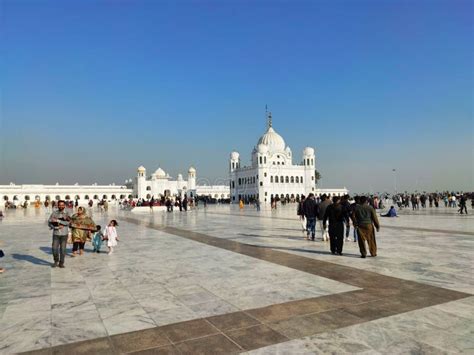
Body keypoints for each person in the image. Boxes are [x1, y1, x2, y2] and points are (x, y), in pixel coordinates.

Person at [48, 200, 71, 268]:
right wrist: (55, 227)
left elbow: (68, 222)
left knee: (63, 249)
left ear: (64, 205)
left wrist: (58, 220)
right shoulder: (54, 213)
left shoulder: (67, 213)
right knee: (54, 248)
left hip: (64, 234)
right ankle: (56, 261)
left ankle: (61, 263)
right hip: (56, 233)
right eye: (60, 205)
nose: (61, 206)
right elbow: (49, 222)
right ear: (57, 205)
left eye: (62, 205)